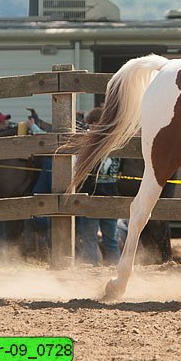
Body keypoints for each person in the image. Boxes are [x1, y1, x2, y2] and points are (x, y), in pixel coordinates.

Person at [76, 107, 122, 265]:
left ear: (95, 124)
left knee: (89, 237)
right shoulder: (117, 141)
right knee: (111, 238)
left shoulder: (91, 142)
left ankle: (92, 268)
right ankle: (115, 267)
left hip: (92, 194)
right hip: (112, 194)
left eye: (90, 125)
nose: (88, 128)